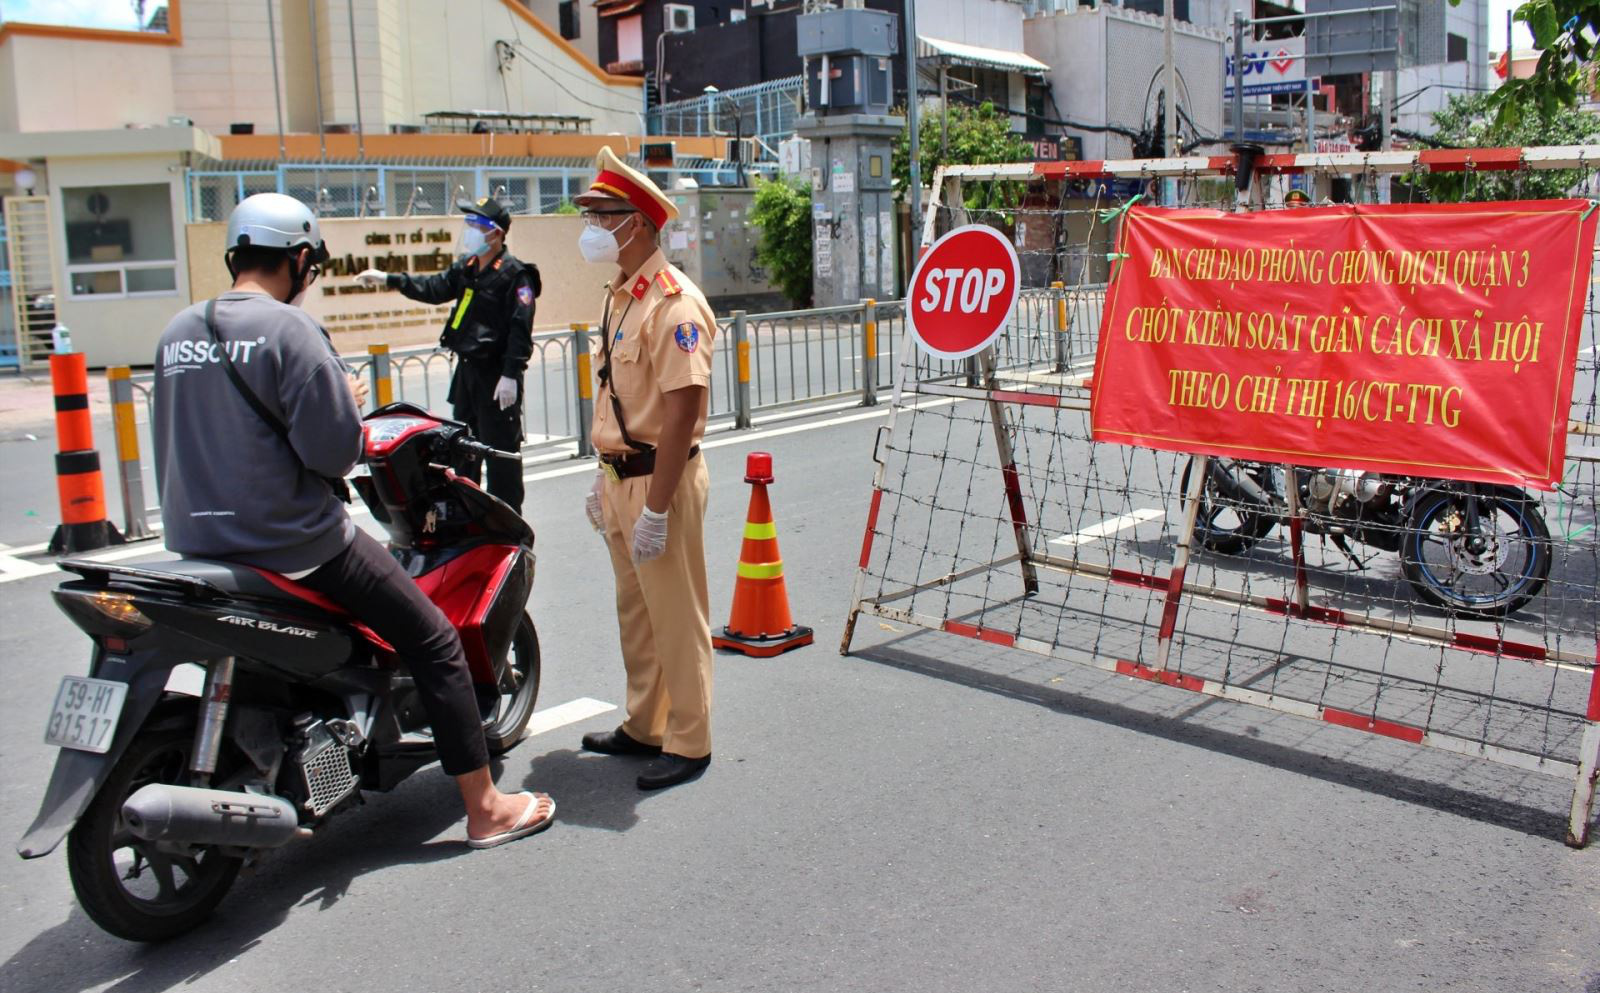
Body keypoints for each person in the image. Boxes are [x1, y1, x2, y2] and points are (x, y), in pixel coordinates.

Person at [153, 192, 553, 848]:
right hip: (293, 542)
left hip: (197, 544)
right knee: (433, 640)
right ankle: (485, 808)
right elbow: (335, 451)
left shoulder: (177, 332)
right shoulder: (291, 331)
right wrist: (345, 399)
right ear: (301, 258)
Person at [574, 147, 716, 791]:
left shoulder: (672, 304)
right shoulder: (621, 297)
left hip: (662, 480)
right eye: (591, 215)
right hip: (621, 478)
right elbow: (617, 395)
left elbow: (684, 411)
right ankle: (645, 724)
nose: (592, 228)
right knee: (636, 610)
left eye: (604, 216)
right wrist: (601, 472)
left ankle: (690, 739)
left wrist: (656, 507)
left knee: (675, 612)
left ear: (641, 224)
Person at [355, 197, 538, 513]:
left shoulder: (515, 275)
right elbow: (434, 288)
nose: (468, 232)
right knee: (463, 449)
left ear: (495, 233)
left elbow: (520, 328)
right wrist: (389, 279)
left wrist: (511, 374)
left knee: (499, 455)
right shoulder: (468, 268)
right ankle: (469, 517)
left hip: (496, 377)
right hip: (467, 374)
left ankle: (508, 523)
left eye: (475, 226)